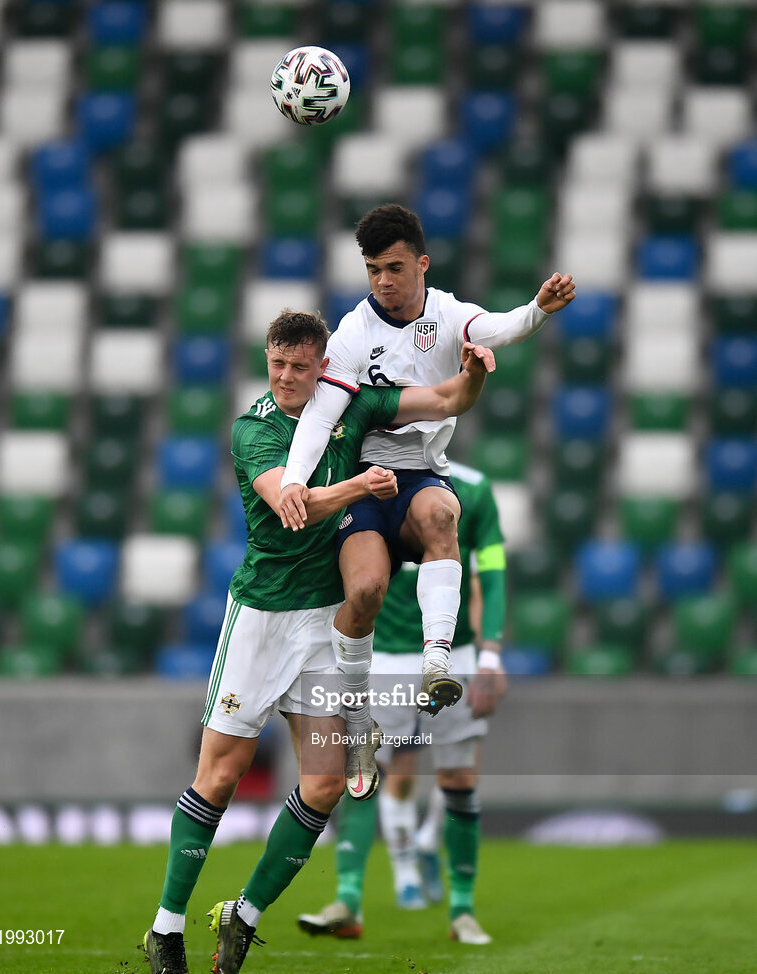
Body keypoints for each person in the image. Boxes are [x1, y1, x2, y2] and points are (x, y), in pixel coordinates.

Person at [142, 308, 494, 974]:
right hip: (261, 620)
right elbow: (291, 504)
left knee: (327, 784)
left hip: (322, 624)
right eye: (276, 363)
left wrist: (472, 371)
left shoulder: (350, 406)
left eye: (299, 367)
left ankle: (241, 916)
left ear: (322, 365)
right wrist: (360, 487)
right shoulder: (256, 429)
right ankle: (165, 929)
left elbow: (442, 398)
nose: (285, 377)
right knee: (220, 777)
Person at [278, 204, 574, 802]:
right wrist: (293, 480)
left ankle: (437, 665)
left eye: (393, 267)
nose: (382, 281)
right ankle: (358, 718)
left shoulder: (449, 314)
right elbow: (321, 415)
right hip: (363, 481)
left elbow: (503, 328)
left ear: (422, 263)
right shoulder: (354, 333)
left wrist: (538, 310)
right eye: (371, 270)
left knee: (444, 515)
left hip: (417, 478)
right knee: (363, 594)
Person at [297, 460, 506, 946]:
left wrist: (491, 656)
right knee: (365, 772)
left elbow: (491, 573)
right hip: (383, 653)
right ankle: (347, 900)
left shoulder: (473, 490)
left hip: (453, 650)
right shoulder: (355, 476)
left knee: (457, 778)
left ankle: (462, 910)